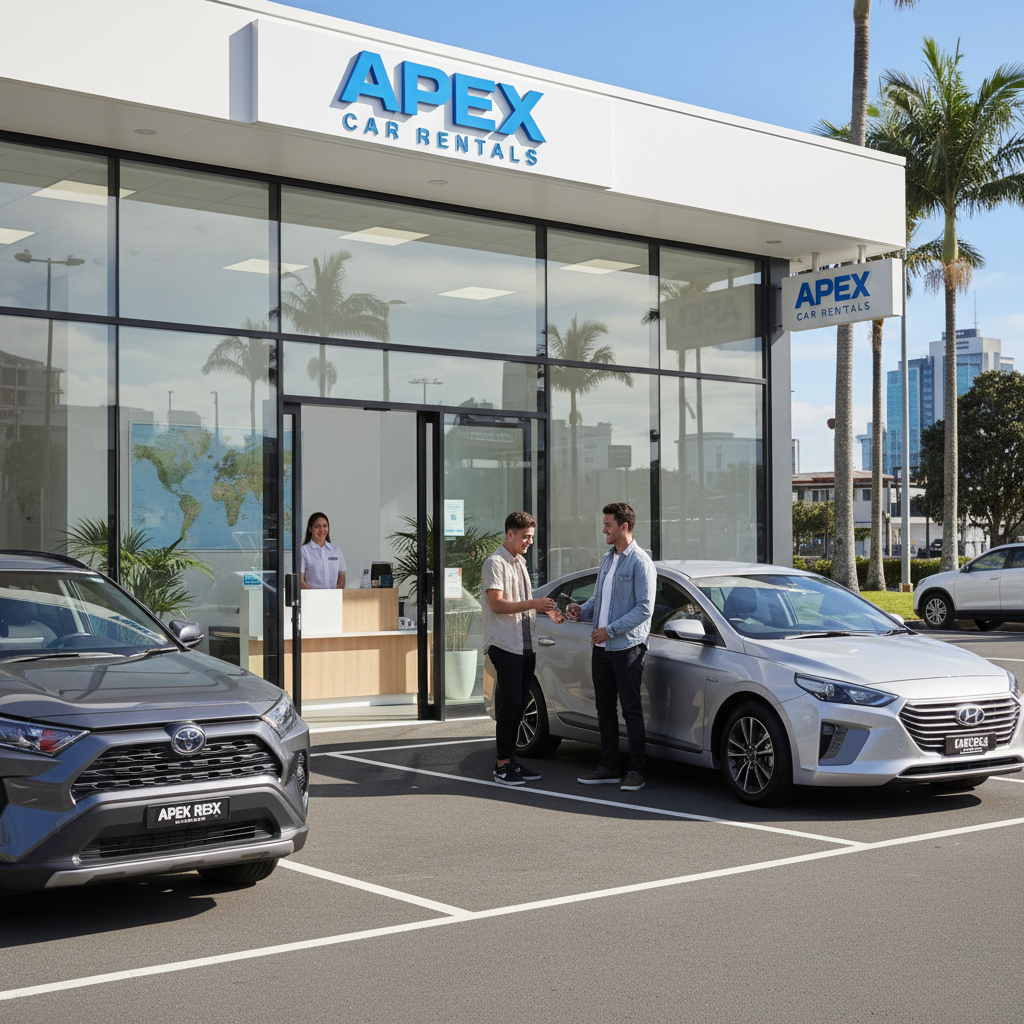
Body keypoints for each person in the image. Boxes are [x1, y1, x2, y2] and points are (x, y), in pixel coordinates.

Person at [566, 502, 655, 792]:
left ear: (623, 527)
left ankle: (636, 772)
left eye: (608, 525)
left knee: (631, 710)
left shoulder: (640, 562)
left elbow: (644, 609)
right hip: (601, 647)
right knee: (604, 708)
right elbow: (599, 600)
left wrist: (610, 630)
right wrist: (582, 610)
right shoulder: (607, 559)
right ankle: (609, 767)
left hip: (626, 647)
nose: (603, 529)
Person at [482, 510, 564, 786]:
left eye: (531, 536)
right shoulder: (495, 563)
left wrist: (547, 611)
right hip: (505, 644)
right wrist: (534, 603)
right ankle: (502, 765)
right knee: (510, 705)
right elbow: (497, 604)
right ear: (510, 534)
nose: (530, 541)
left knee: (518, 706)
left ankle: (509, 760)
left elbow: (521, 603)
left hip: (525, 643)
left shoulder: (520, 562)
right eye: (526, 537)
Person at [300, 512, 347, 589]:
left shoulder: (335, 550)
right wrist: (316, 596)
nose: (322, 530)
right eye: (317, 526)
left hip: (333, 599)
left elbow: (341, 576)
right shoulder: (303, 551)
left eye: (325, 526)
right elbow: (300, 580)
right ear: (310, 529)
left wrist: (336, 595)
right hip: (312, 599)